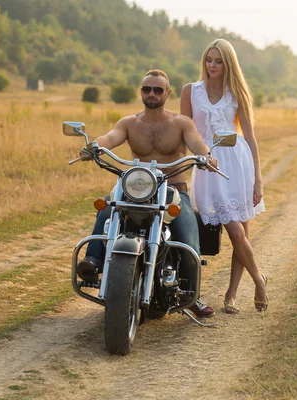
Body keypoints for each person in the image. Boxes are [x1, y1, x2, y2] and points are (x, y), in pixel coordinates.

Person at [77, 69, 217, 318]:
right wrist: (94, 147)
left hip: (172, 189)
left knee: (188, 236)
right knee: (108, 207)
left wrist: (206, 156)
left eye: (157, 90)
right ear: (141, 92)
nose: (151, 94)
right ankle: (93, 262)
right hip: (137, 188)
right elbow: (111, 137)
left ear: (168, 93)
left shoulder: (181, 123)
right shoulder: (130, 123)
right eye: (146, 89)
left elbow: (196, 142)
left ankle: (191, 294)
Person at [180, 39, 268, 313]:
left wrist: (258, 178)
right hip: (207, 164)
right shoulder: (190, 91)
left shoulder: (237, 93)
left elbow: (250, 138)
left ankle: (231, 294)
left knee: (241, 231)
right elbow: (184, 130)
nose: (212, 65)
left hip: (237, 162)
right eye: (209, 59)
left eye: (218, 61)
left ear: (228, 64)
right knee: (233, 230)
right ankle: (260, 280)